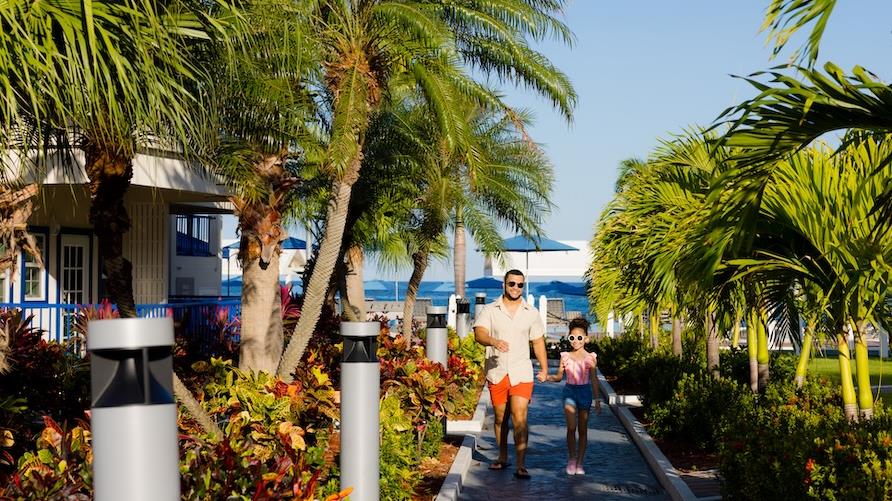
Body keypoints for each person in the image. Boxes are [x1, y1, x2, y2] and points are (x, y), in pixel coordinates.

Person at [473, 269, 549, 480]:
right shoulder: (490, 310)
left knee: (519, 416)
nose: (516, 288)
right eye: (511, 284)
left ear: (523, 286)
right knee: (500, 418)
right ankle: (502, 456)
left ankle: (521, 465)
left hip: (522, 372)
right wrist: (493, 341)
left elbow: (538, 342)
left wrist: (544, 368)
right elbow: (479, 333)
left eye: (519, 285)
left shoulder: (531, 312)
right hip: (497, 372)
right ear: (504, 285)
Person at [547, 317, 600, 475]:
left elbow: (594, 379)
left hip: (585, 392)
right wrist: (547, 377)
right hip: (569, 391)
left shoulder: (591, 358)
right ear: (569, 338)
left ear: (586, 339)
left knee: (583, 430)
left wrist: (597, 400)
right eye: (572, 337)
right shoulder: (565, 356)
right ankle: (571, 458)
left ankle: (580, 462)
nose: (575, 341)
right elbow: (558, 377)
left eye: (579, 337)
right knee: (571, 427)